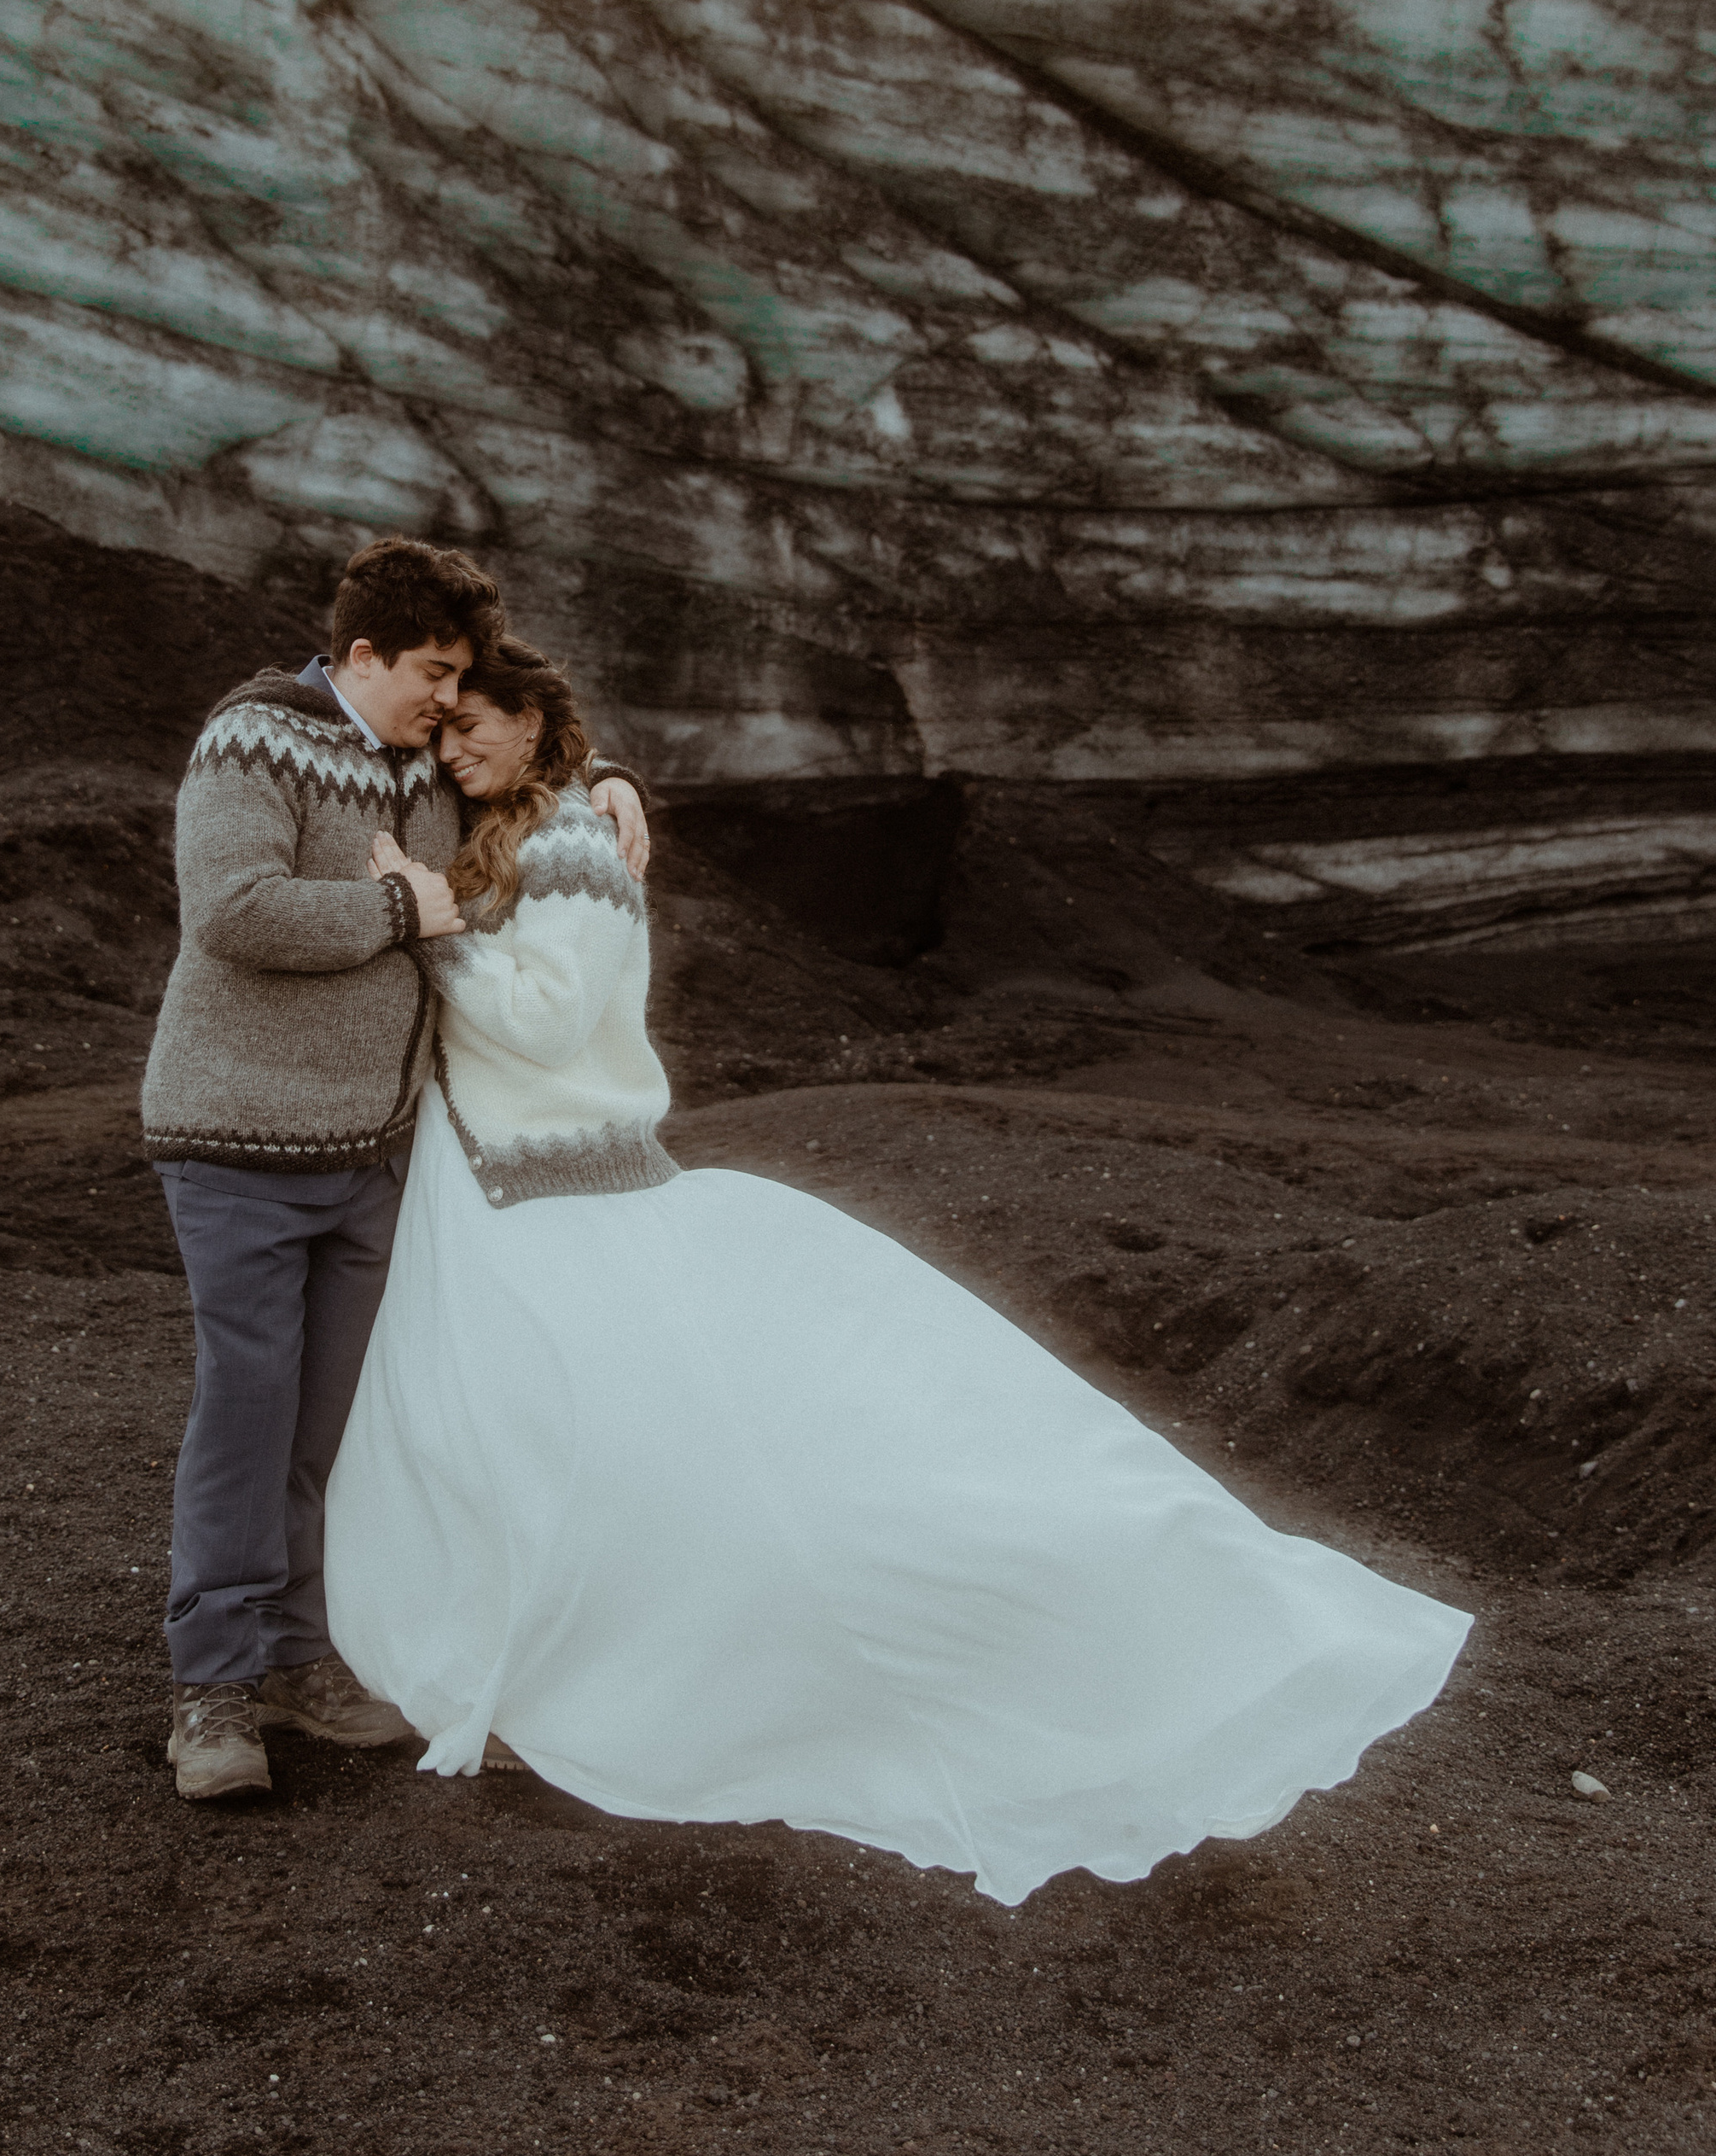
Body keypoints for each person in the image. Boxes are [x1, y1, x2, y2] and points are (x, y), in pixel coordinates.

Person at [325, 636, 1473, 1906]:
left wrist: (433, 929)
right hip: (496, 1188)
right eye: (439, 733)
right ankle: (540, 1645)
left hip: (566, 1185)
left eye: (472, 726)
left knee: (675, 1450)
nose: (449, 749)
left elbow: (544, 1021)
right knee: (509, 1433)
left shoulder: (581, 851)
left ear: (535, 728)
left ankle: (1060, 1611)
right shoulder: (511, 817)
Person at [139, 539, 649, 1802]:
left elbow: (521, 759)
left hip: (373, 1155)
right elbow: (235, 909)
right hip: (240, 1142)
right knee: (249, 1410)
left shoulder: (422, 757)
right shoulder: (253, 742)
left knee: (333, 1427)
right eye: (432, 669)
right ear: (361, 655)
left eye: (459, 674)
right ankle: (212, 1689)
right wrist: (403, 914)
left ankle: (300, 1659)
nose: (445, 696)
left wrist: (613, 779)